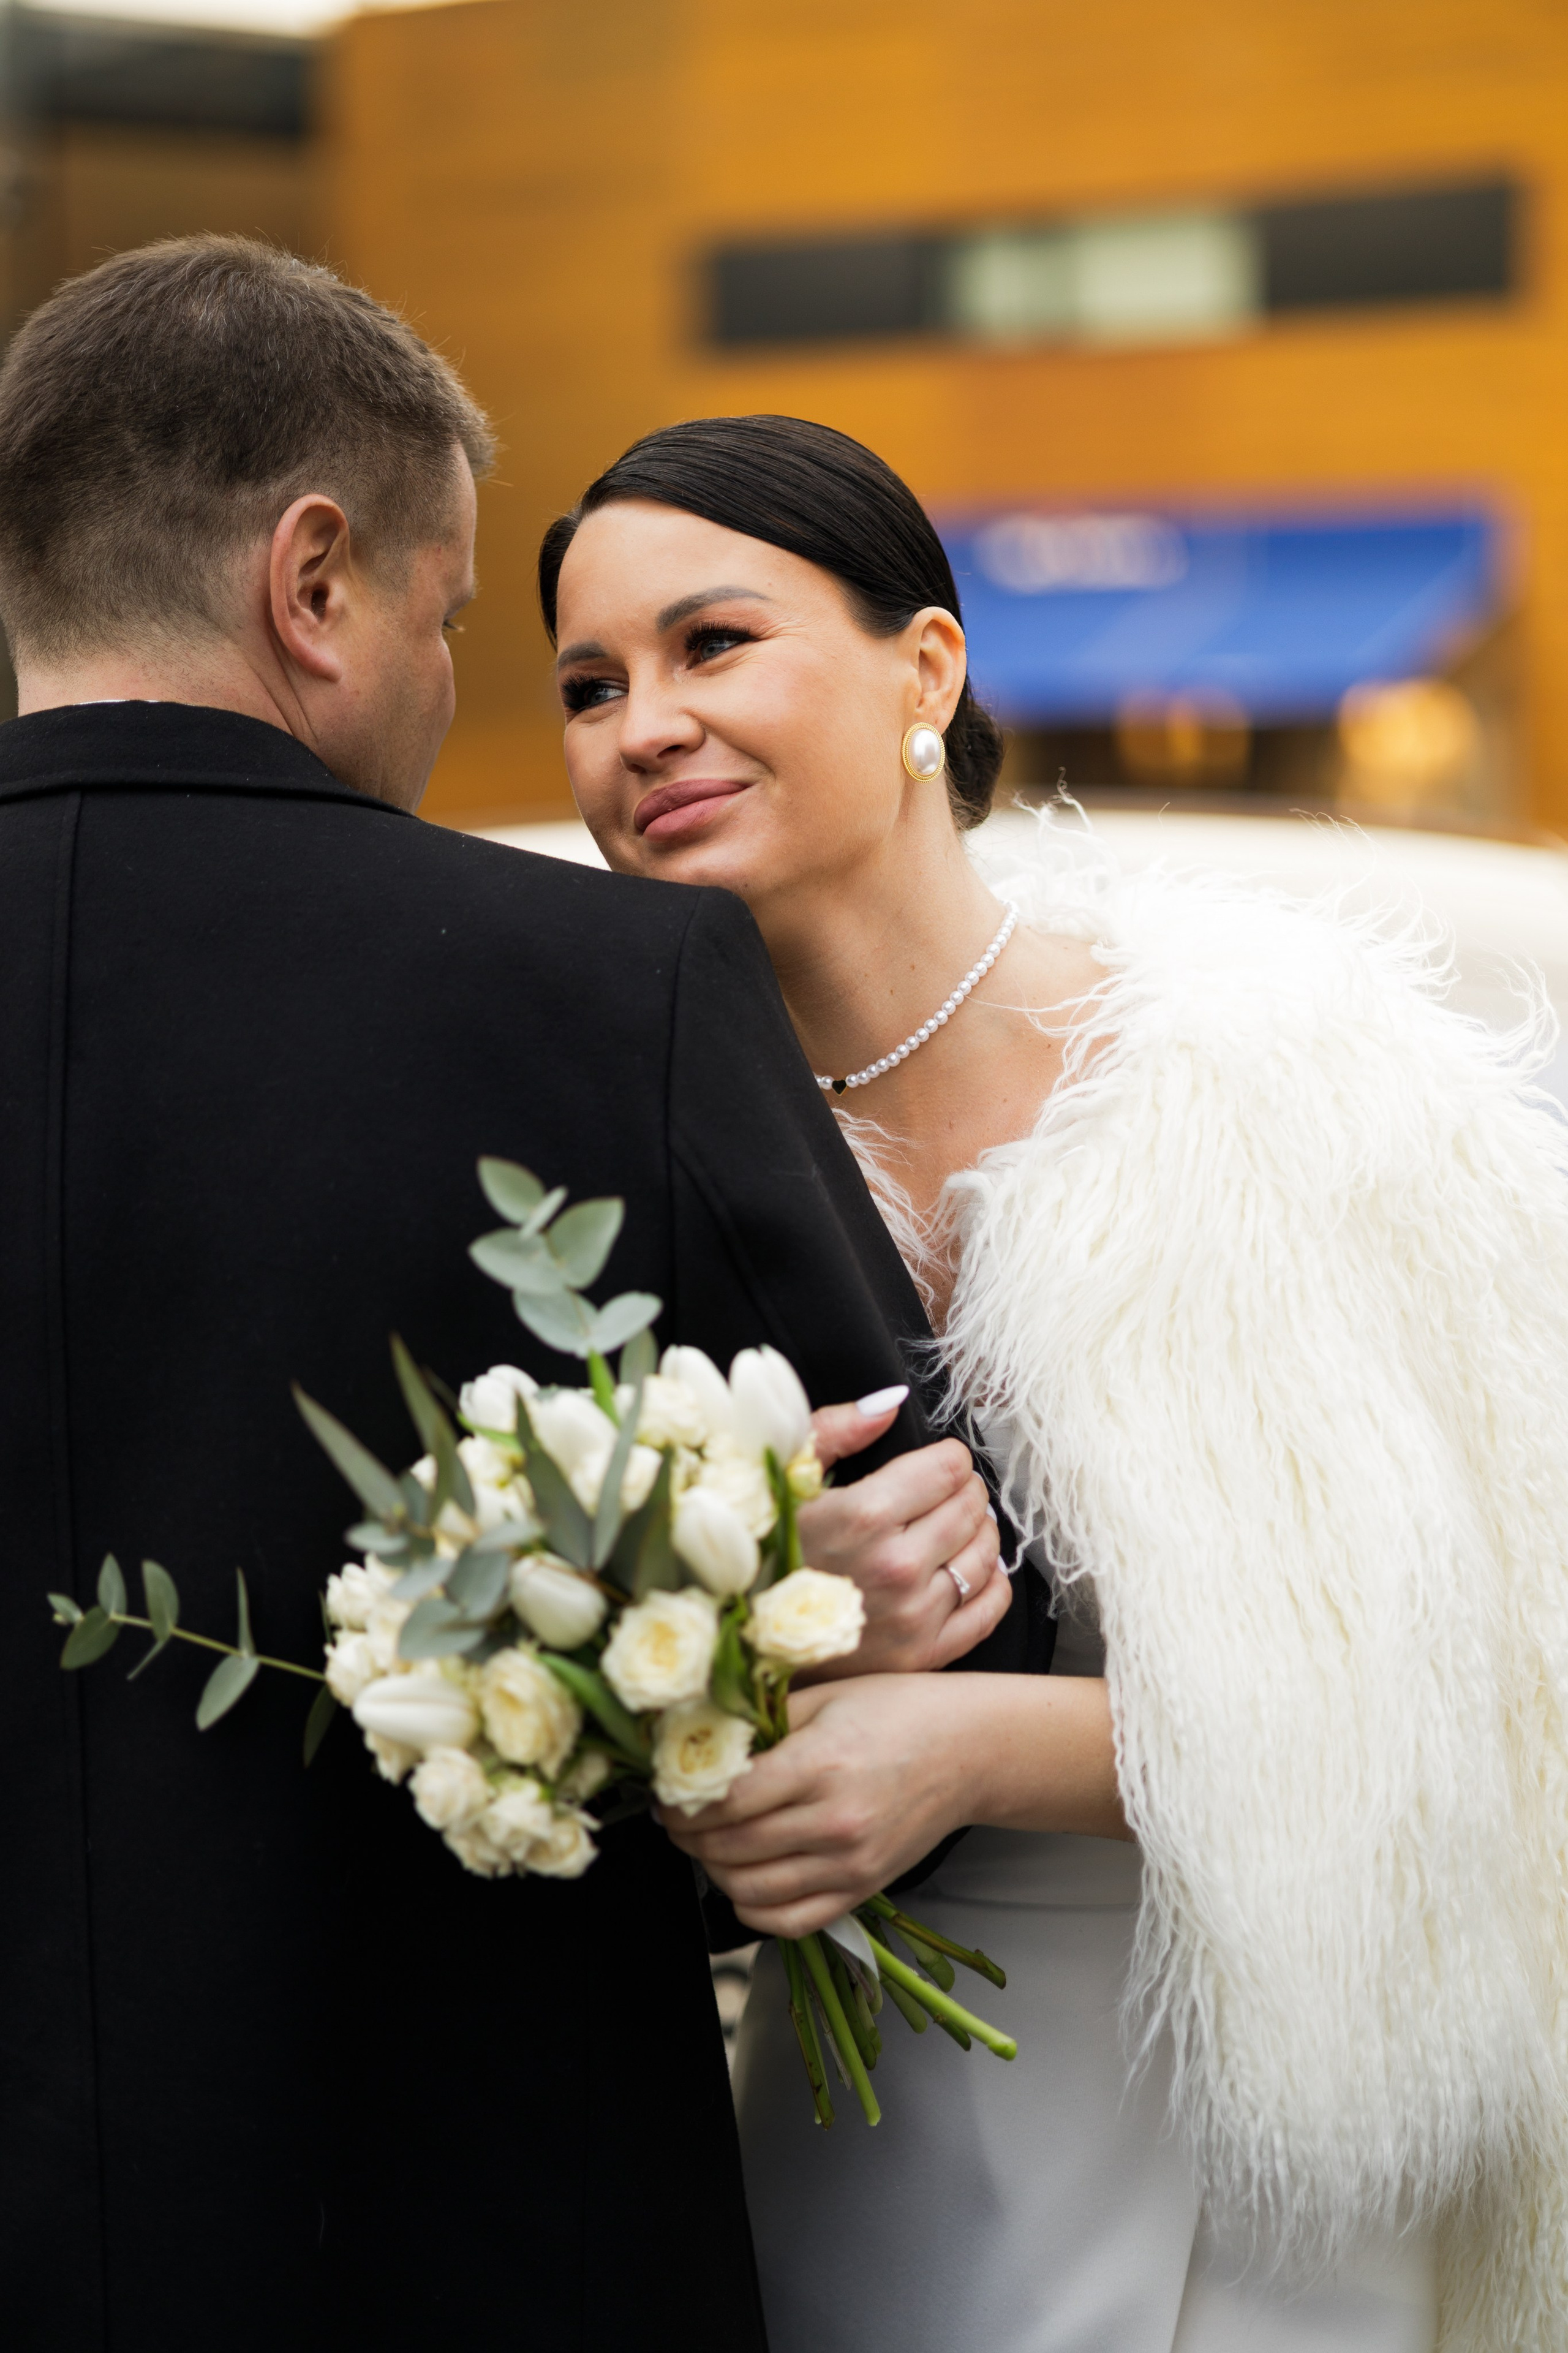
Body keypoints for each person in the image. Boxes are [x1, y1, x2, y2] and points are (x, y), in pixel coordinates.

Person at [0, 250, 1012, 2353]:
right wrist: (723, 1600)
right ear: (315, 583)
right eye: (464, 619)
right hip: (465, 2251)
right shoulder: (605, 982)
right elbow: (909, 1617)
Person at [541, 414, 1568, 2353]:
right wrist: (739, 1630)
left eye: (713, 644)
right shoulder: (596, 1177)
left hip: (1308, 2104)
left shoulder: (1274, 1086)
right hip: (871, 2109)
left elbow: (1480, 1678)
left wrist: (961, 1749)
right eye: (590, 687)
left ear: (927, 666)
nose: (642, 727)